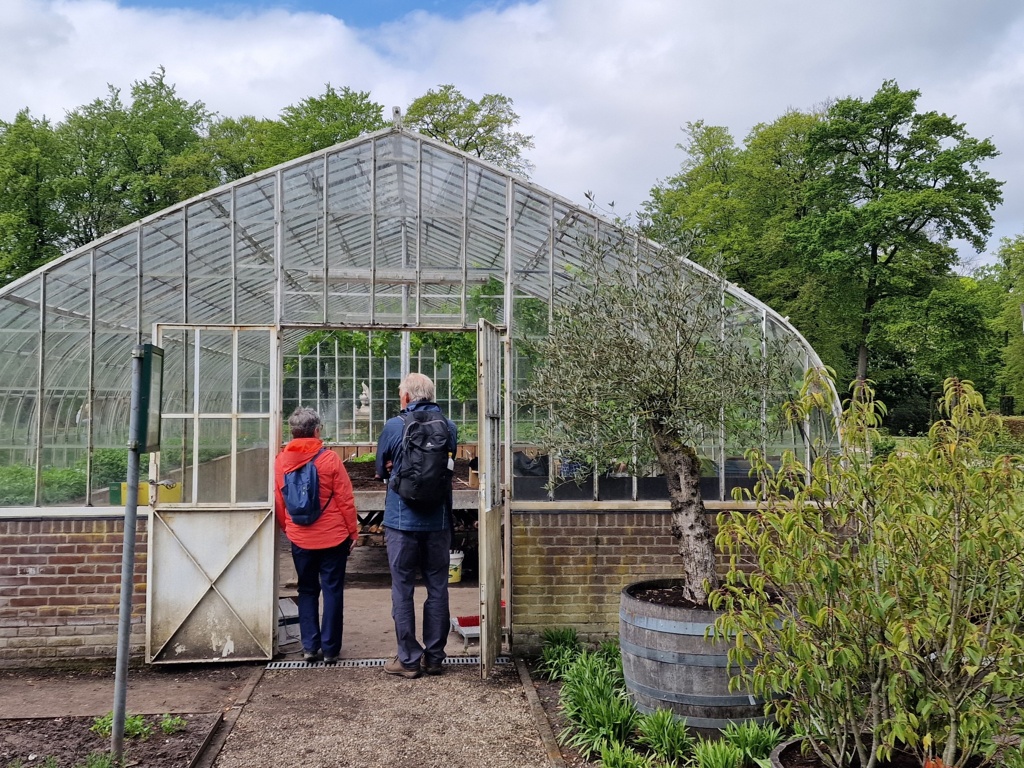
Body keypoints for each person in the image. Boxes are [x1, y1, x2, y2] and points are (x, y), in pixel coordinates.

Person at [375, 373, 458, 678]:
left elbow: (380, 470)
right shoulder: (449, 427)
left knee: (403, 588)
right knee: (438, 587)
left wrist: (391, 468)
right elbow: (446, 468)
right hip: (437, 522)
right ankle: (435, 658)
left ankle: (408, 660)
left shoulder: (394, 426)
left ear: (406, 397)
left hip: (400, 522)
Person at [274, 407, 359, 664]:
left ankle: (310, 646)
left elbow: (280, 500)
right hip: (333, 537)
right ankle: (331, 649)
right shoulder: (329, 459)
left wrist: (288, 528)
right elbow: (345, 499)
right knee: (332, 590)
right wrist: (352, 531)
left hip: (300, 537)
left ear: (292, 431)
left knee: (307, 589)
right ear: (317, 430)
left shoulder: (281, 461)